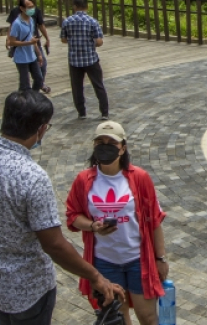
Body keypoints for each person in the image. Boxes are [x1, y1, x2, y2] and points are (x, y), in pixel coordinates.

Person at [0, 90, 123, 325]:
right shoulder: (31, 176)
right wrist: (95, 276)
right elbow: (54, 244)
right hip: (29, 291)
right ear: (41, 129)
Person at [66, 121, 168, 325]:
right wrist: (93, 226)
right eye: (100, 142)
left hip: (138, 260)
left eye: (111, 142)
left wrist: (160, 258)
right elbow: (73, 215)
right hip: (104, 261)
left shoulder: (140, 178)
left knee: (148, 317)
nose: (105, 146)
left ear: (123, 147)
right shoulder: (84, 180)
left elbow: (154, 221)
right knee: (117, 318)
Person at [61, 0, 109, 120]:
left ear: (74, 7)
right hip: (90, 58)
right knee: (98, 85)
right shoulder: (92, 21)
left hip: (74, 60)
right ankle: (104, 112)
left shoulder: (67, 21)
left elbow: (63, 39)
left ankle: (81, 112)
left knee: (77, 87)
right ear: (87, 7)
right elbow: (99, 42)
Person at [6, 0, 51, 94]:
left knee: (39, 78)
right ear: (22, 8)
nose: (32, 9)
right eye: (29, 7)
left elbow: (39, 29)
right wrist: (8, 39)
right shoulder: (17, 21)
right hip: (21, 57)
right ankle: (25, 100)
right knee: (24, 84)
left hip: (32, 54)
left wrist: (39, 54)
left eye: (32, 7)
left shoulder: (31, 19)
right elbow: (12, 40)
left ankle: (33, 96)